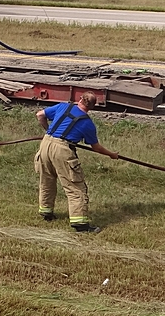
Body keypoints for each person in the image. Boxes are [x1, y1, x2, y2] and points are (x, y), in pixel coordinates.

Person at [34, 93, 119, 233]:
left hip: (45, 144)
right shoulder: (87, 123)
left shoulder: (63, 106)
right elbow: (96, 147)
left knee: (47, 180)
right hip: (63, 149)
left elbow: (40, 115)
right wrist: (112, 155)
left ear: (79, 99)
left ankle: (46, 211)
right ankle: (80, 223)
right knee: (75, 187)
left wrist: (48, 131)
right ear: (92, 107)